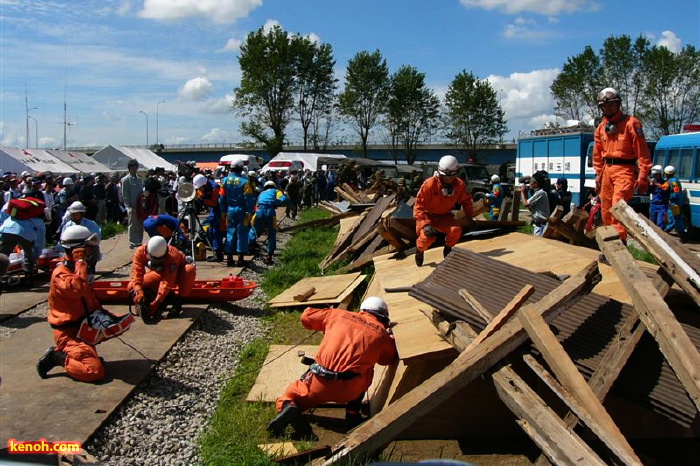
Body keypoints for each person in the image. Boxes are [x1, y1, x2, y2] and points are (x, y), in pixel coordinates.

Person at [267, 297, 397, 436]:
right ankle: (352, 413)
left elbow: (306, 317)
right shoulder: (382, 336)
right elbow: (386, 360)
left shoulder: (338, 314)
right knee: (367, 369)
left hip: (318, 385)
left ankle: (290, 406)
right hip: (350, 389)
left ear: (362, 309)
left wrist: (327, 322)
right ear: (384, 318)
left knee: (290, 395)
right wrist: (388, 339)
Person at [36, 225, 105, 382]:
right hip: (67, 333)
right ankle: (56, 356)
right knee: (94, 372)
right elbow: (78, 289)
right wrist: (80, 261)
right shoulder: (62, 274)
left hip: (81, 328)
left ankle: (83, 353)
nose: (90, 253)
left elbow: (88, 298)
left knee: (98, 349)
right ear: (75, 251)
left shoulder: (78, 270)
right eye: (86, 250)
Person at [593, 87, 652, 242]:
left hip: (624, 170)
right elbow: (597, 154)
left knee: (618, 206)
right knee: (606, 209)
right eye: (605, 106)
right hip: (607, 171)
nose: (608, 107)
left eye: (611, 104)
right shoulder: (601, 128)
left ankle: (620, 244)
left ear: (618, 104)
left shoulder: (631, 124)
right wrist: (598, 175)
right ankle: (610, 244)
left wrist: (643, 176)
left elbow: (643, 152)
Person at [413, 155, 474, 267]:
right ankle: (419, 250)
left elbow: (466, 200)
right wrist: (424, 224)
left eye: (452, 177)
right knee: (426, 238)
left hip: (444, 215)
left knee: (456, 230)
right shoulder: (429, 185)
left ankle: (448, 249)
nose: (448, 179)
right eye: (445, 177)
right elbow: (418, 206)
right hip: (427, 216)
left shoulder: (459, 185)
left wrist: (469, 216)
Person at [128, 236, 196, 322]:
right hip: (159, 273)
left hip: (177, 275)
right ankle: (154, 298)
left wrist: (157, 302)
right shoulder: (140, 252)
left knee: (189, 270)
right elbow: (137, 273)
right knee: (131, 286)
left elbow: (167, 281)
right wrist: (139, 291)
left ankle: (178, 302)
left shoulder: (173, 254)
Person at [221, 161, 255, 266]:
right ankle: (240, 259)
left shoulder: (224, 180)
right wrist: (250, 212)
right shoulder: (245, 182)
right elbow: (248, 198)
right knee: (242, 233)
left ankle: (229, 258)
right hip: (242, 210)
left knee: (230, 233)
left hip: (229, 210)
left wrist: (223, 211)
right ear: (241, 169)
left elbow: (222, 198)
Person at [58, 201, 102, 279]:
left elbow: (97, 236)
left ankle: (91, 268)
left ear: (81, 214)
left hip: (86, 247)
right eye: (72, 214)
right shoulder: (68, 225)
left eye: (76, 214)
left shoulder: (91, 224)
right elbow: (63, 237)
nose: (74, 216)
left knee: (94, 250)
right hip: (71, 247)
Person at [253, 181, 289, 264]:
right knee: (271, 232)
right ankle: (269, 255)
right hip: (270, 211)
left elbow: (257, 204)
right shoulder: (276, 191)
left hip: (259, 211)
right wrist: (288, 205)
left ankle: (250, 246)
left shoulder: (261, 193)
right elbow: (283, 199)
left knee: (254, 230)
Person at [193, 174, 224, 262]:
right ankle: (216, 251)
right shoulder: (204, 187)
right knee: (210, 231)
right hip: (213, 211)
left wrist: (202, 200)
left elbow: (214, 203)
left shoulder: (215, 187)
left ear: (204, 185)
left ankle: (218, 255)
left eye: (200, 188)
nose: (200, 190)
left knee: (215, 232)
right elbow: (201, 194)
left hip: (218, 211)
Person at [121, 159, 144, 249]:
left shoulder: (139, 179)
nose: (135, 169)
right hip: (131, 206)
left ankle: (139, 241)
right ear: (129, 168)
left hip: (139, 206)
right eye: (133, 167)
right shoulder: (126, 180)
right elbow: (125, 194)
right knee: (132, 224)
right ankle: (132, 242)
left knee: (140, 224)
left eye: (136, 167)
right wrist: (128, 206)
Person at [664, 165, 688, 241]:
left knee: (675, 219)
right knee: (676, 218)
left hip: (675, 203)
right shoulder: (673, 180)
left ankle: (667, 231)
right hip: (676, 202)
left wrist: (671, 197)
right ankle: (682, 235)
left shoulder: (673, 181)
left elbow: (676, 192)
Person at [648, 165, 670, 229]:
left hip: (662, 205)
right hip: (653, 204)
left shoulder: (665, 183)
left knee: (660, 223)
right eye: (654, 175)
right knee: (652, 222)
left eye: (657, 175)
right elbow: (648, 192)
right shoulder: (652, 182)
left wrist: (657, 185)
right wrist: (650, 185)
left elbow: (666, 191)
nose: (655, 176)